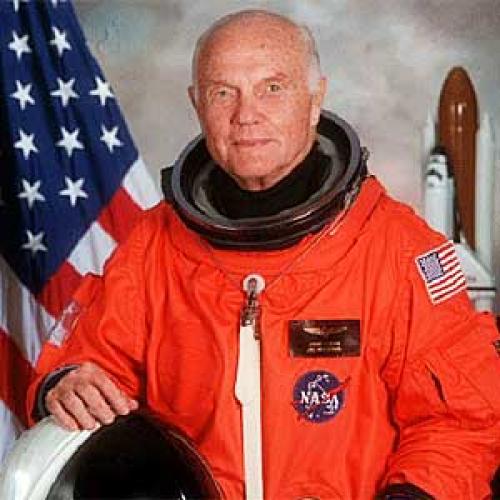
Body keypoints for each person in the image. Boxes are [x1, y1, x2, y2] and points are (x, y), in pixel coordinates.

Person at [27, 9, 500, 499]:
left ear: (315, 99)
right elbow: (88, 365)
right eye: (222, 92)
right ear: (197, 104)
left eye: (272, 88)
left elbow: (460, 420)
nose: (245, 115)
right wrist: (68, 383)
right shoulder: (153, 249)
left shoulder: (397, 249)